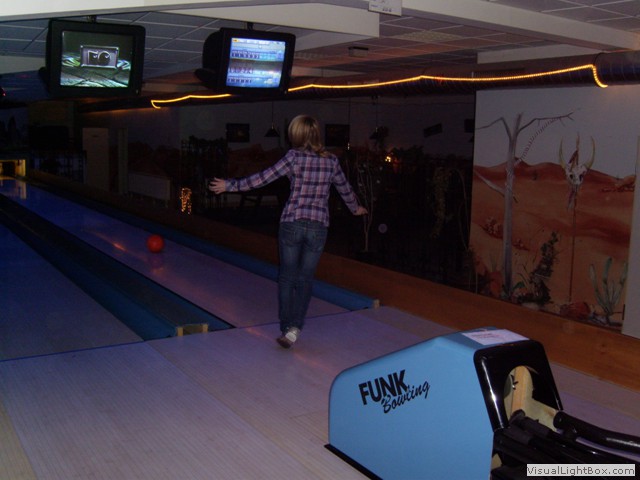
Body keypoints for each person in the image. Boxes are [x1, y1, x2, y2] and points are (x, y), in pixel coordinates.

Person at [209, 114, 367, 348]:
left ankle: (287, 327)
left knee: (287, 277)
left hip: (292, 222)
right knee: (305, 279)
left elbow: (263, 178)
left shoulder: (293, 157)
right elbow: (345, 189)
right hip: (318, 226)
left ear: (297, 135)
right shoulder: (332, 161)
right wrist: (356, 208)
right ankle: (295, 328)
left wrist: (231, 185)